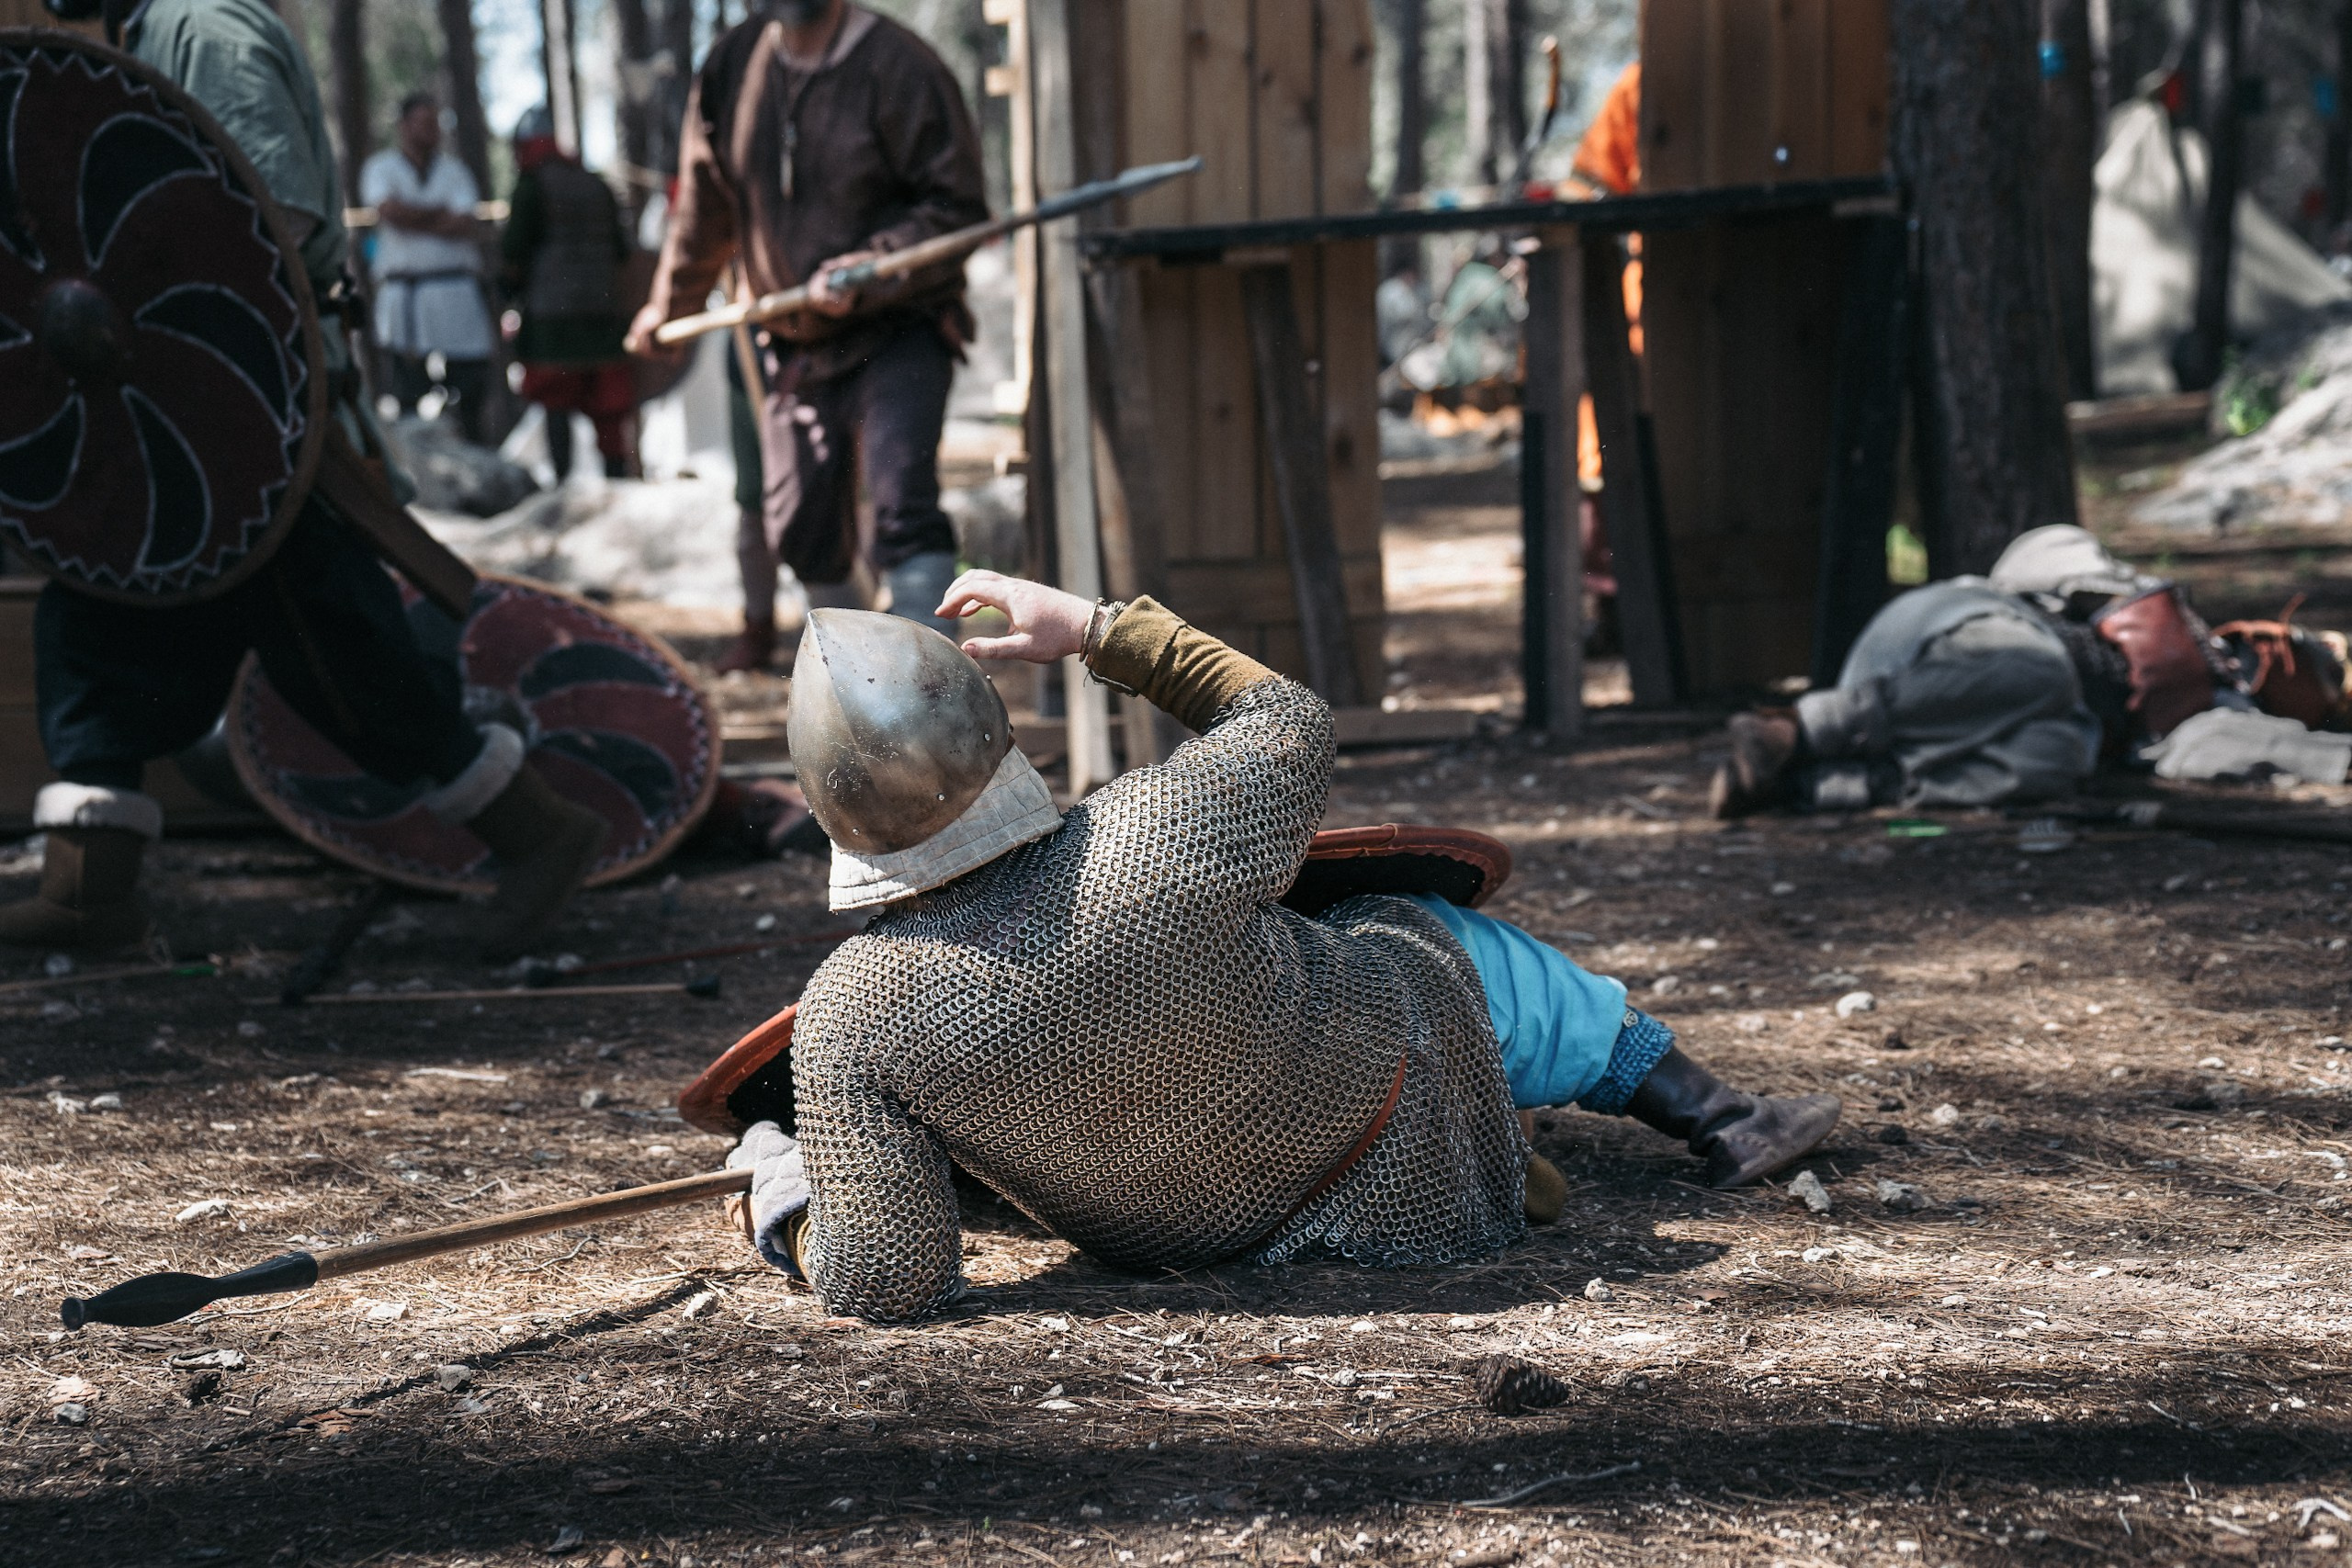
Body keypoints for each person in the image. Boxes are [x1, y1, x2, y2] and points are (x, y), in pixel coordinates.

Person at [714, 572, 1843, 1324]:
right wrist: (1099, 630)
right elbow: (1287, 717)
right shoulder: (1155, 830)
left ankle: (1516, 1142)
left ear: (834, 814)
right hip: (1404, 1164)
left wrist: (787, 1196)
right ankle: (1712, 1114)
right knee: (1430, 941)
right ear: (991, 729)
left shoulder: (851, 1013)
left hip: (1175, 1243)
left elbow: (886, 1279)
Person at [11, 0, 606, 961]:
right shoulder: (154, 34)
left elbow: (270, 221)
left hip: (245, 418)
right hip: (165, 413)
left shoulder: (204, 28)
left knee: (337, 643)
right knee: (93, 609)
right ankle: (90, 891)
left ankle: (540, 835)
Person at [626, 0, 988, 671]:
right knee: (801, 526)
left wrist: (875, 261)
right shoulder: (732, 68)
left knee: (903, 504)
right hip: (794, 342)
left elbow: (957, 209)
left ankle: (928, 697)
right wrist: (666, 304)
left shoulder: (901, 66)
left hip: (899, 329)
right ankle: (860, 681)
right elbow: (705, 207)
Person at [1710, 525, 2352, 817]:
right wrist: (2123, 594)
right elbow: (2034, 557)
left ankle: (1814, 787)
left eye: (2328, 674)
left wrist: (2327, 750)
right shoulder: (2153, 599)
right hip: (1945, 639)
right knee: (2039, 671)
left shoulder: (2221, 716)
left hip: (1987, 730)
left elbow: (2282, 750)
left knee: (2056, 763)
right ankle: (1796, 730)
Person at [500, 107, 637, 480]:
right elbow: (623, 253)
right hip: (604, 315)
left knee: (555, 402)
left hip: (553, 320)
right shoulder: (596, 184)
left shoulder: (532, 185)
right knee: (608, 408)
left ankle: (563, 484)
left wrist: (508, 289)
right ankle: (616, 479)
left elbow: (514, 252)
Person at [361, 92, 496, 444]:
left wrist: (413, 216)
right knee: (407, 393)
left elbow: (463, 222)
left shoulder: (454, 171)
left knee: (468, 390)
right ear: (404, 127)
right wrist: (439, 215)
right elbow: (390, 212)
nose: (431, 131)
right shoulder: (381, 168)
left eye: (435, 123)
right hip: (405, 295)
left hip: (455, 292)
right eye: (423, 123)